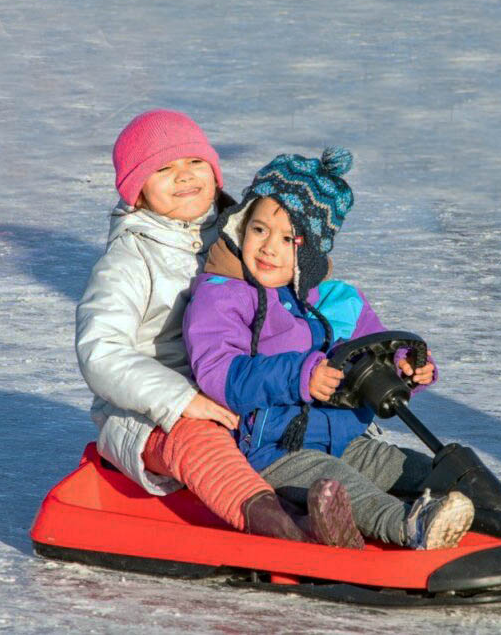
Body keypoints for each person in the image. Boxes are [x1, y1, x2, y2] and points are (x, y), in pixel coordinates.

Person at [182, 148, 501, 550]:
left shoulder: (339, 300)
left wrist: (406, 369)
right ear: (241, 225)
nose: (269, 247)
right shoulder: (224, 296)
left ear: (310, 251)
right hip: (276, 450)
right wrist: (300, 376)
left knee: (425, 468)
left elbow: (373, 351)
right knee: (347, 485)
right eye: (259, 229)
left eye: (288, 238)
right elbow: (219, 372)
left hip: (348, 439)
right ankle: (409, 525)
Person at [75, 110, 325, 545]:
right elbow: (102, 351)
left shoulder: (239, 234)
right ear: (136, 193)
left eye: (194, 162)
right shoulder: (128, 262)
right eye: (163, 168)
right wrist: (181, 400)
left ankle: (351, 498)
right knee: (198, 437)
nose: (184, 176)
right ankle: (281, 524)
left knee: (300, 408)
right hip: (152, 412)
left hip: (232, 384)